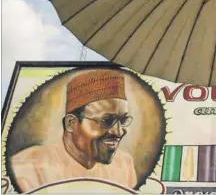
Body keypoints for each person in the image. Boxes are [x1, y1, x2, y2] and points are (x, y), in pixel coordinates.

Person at [10, 70, 138, 192]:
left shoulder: (124, 164)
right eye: (106, 121)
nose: (119, 132)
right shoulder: (27, 168)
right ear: (71, 123)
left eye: (123, 120)